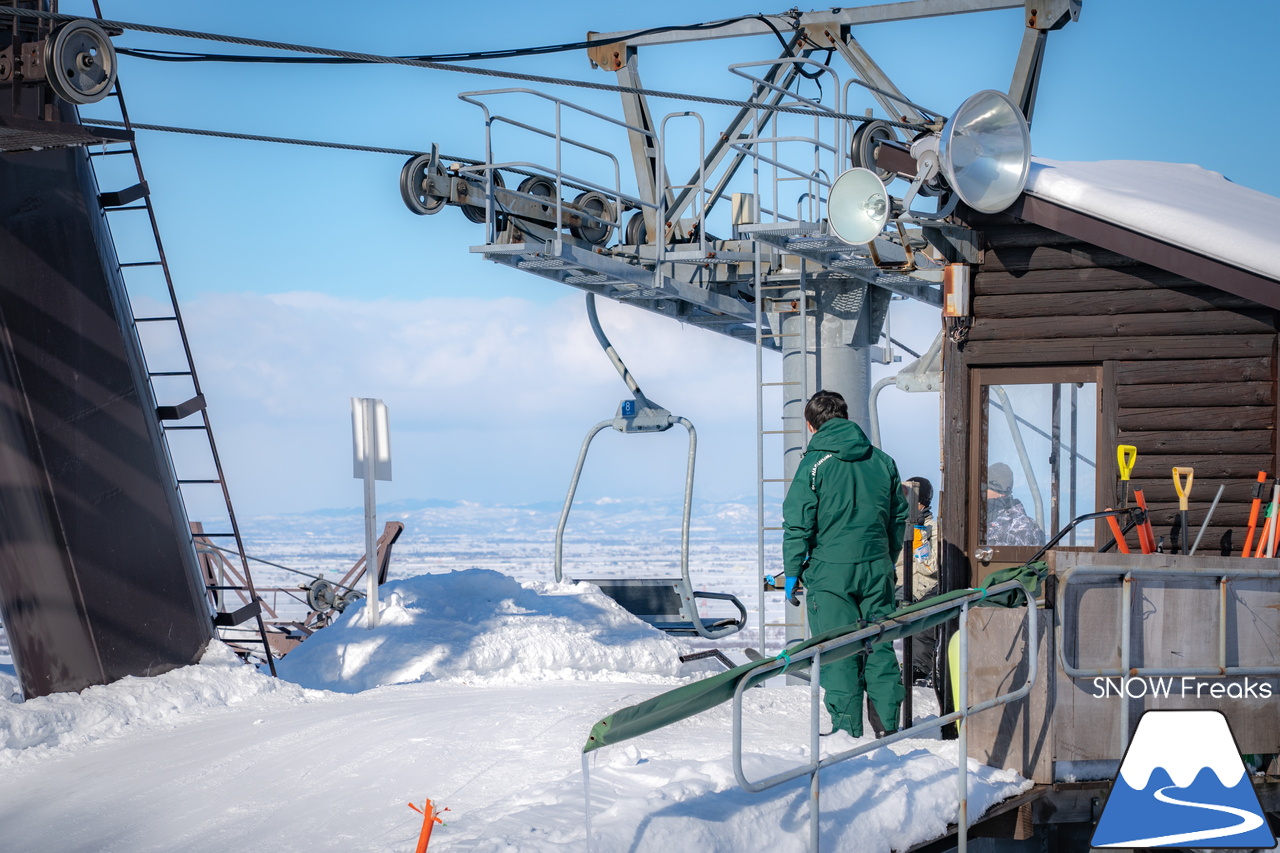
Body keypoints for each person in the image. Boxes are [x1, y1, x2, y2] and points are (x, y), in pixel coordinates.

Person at [782, 390, 909, 739]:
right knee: (880, 645)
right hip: (876, 568)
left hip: (831, 572)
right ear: (846, 415)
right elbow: (899, 516)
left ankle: (846, 733)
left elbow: (798, 523)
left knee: (839, 651)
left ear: (811, 426)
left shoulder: (814, 465)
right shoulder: (883, 461)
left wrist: (792, 571)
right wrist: (886, 556)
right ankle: (888, 729)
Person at [896, 476, 938, 683]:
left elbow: (928, 566)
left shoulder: (932, 529)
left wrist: (919, 536)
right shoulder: (895, 526)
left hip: (918, 589)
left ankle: (918, 671)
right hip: (898, 586)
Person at [984, 462, 1045, 546]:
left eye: (985, 488)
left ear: (999, 491)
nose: (982, 492)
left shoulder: (1021, 527)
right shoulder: (1028, 525)